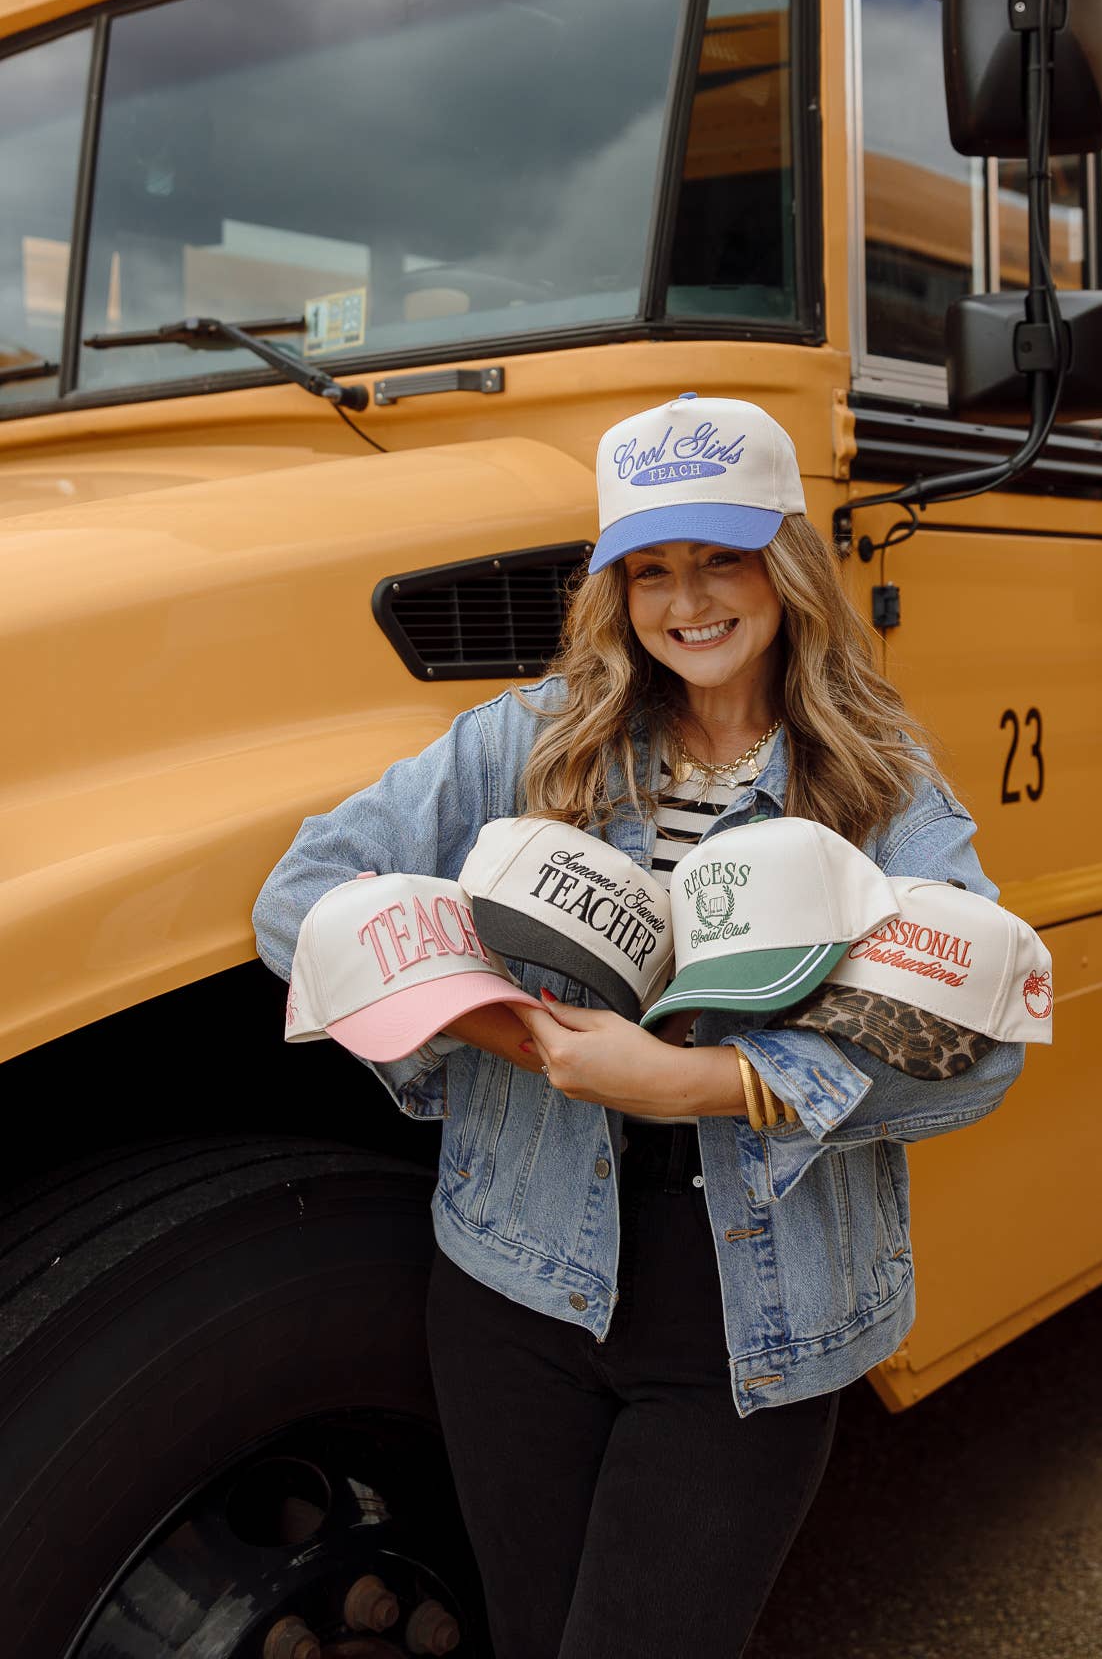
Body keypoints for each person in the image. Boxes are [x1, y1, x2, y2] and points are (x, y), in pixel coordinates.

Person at [253, 392, 1024, 1659]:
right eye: (650, 568)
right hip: (513, 1282)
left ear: (784, 561)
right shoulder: (530, 736)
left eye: (721, 556)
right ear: (615, 589)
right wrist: (511, 1034)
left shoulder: (881, 782)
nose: (689, 600)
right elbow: (303, 899)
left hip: (751, 1318)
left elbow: (978, 1039)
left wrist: (711, 1082)